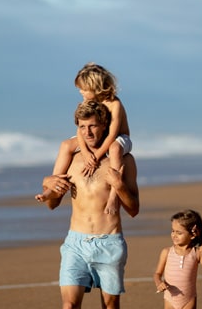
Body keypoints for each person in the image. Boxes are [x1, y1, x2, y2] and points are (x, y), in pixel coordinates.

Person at [39, 99, 139, 309]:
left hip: (109, 242)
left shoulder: (123, 161)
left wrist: (119, 186)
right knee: (69, 307)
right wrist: (50, 190)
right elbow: (53, 204)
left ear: (105, 125)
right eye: (82, 127)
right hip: (76, 243)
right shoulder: (71, 158)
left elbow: (133, 209)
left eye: (93, 125)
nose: (88, 131)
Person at [35, 63, 131, 215]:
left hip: (119, 138)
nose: (81, 92)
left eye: (84, 89)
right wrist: (86, 154)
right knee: (66, 145)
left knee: (114, 148)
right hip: (95, 137)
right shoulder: (87, 103)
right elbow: (80, 132)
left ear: (96, 88)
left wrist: (97, 156)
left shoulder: (114, 104)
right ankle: (53, 188)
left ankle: (114, 195)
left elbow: (112, 135)